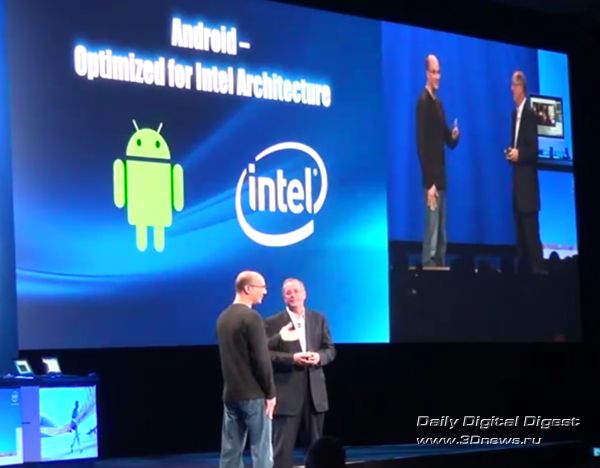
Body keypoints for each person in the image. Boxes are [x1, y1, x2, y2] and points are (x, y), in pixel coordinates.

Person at [216, 271, 299, 468]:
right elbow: (261, 359)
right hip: (254, 395)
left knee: (230, 451)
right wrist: (271, 393)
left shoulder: (223, 317)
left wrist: (278, 337)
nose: (265, 291)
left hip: (231, 395)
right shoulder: (252, 317)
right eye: (262, 287)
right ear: (248, 288)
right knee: (261, 451)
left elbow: (244, 351)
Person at [265, 278, 336, 468]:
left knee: (317, 452)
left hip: (315, 395)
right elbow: (266, 354)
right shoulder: (272, 323)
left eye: (296, 291)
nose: (292, 295)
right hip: (287, 395)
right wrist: (293, 358)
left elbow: (330, 349)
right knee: (281, 451)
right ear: (283, 297)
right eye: (288, 292)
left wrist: (319, 357)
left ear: (305, 294)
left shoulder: (318, 319)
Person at [416, 54, 460, 268]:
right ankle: (429, 271)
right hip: (432, 181)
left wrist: (453, 135)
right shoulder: (423, 103)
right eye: (433, 72)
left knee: (442, 235)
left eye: (439, 72)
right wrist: (429, 184)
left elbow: (446, 140)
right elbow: (422, 145)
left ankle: (441, 271)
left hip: (441, 178)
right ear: (427, 73)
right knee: (432, 235)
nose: (437, 76)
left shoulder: (439, 104)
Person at [506, 71, 546, 274]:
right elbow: (518, 145)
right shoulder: (514, 115)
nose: (511, 89)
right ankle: (523, 277)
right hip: (518, 187)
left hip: (528, 190)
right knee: (521, 240)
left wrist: (519, 154)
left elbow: (533, 150)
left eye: (514, 85)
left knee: (531, 237)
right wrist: (511, 153)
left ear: (521, 87)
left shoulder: (530, 114)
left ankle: (539, 275)